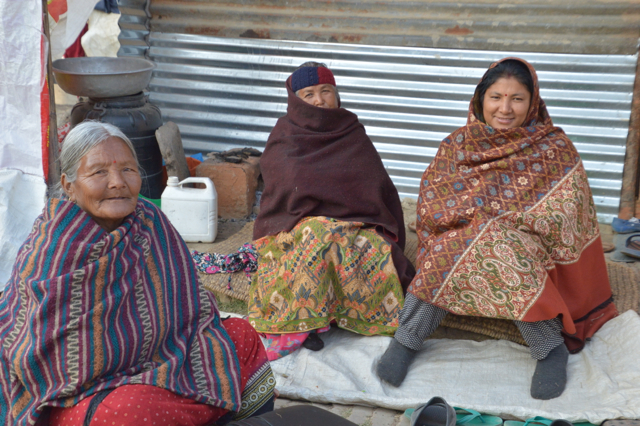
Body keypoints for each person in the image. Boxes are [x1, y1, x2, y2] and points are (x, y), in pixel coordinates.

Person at [0, 121, 275, 426]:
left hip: (165, 359)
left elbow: (188, 304)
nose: (117, 182)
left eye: (128, 170)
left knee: (243, 336)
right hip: (84, 392)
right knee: (129, 413)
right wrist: (122, 356)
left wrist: (153, 355)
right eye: (99, 172)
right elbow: (38, 355)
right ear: (68, 185)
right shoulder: (53, 250)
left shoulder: (149, 220)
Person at [376, 58, 617, 400]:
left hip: (529, 242)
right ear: (480, 99)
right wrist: (479, 222)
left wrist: (507, 223)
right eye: (496, 97)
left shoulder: (555, 149)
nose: (505, 108)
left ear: (532, 102)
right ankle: (407, 339)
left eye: (517, 98)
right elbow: (433, 205)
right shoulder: (458, 146)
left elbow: (567, 216)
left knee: (502, 245)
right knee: (453, 248)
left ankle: (549, 348)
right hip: (463, 235)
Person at [248, 62, 415, 360]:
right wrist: (320, 219)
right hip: (297, 225)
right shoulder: (284, 136)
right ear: (295, 100)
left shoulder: (352, 132)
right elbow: (283, 196)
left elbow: (376, 187)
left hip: (357, 224)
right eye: (309, 94)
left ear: (337, 95)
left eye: (327, 91)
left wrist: (350, 222)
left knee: (374, 249)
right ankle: (302, 325)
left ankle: (361, 319)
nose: (319, 100)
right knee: (317, 238)